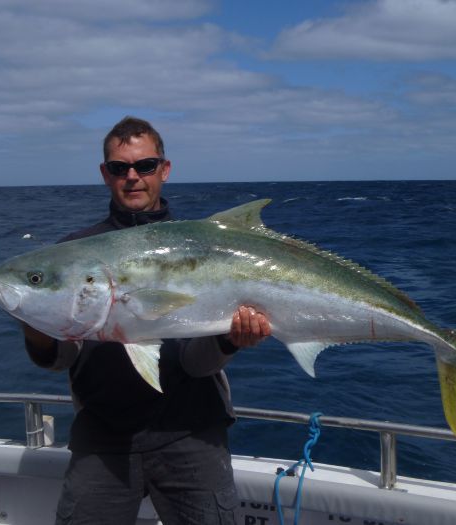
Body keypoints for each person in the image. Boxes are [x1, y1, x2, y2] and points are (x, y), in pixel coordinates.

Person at [21, 116, 271, 525]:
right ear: (105, 174)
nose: (133, 177)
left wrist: (230, 340)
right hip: (102, 438)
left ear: (165, 170)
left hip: (193, 433)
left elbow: (195, 364)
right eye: (120, 168)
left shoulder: (203, 242)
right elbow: (62, 357)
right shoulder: (73, 254)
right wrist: (36, 326)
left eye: (146, 165)